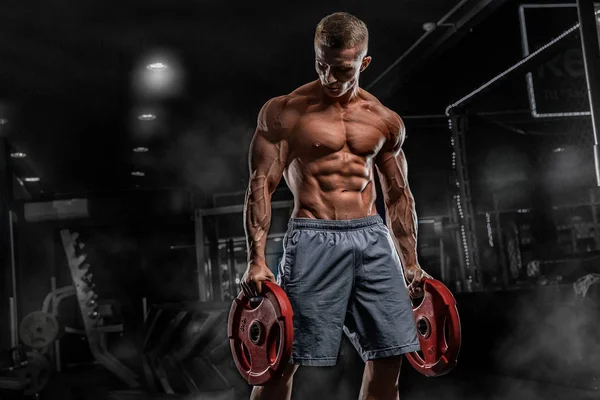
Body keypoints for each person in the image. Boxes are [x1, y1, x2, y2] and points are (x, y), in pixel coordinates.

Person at [241, 11, 432, 400]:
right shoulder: (285, 112)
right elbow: (260, 185)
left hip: (372, 238)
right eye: (321, 65)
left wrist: (410, 260)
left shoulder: (384, 121)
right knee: (281, 360)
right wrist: (256, 258)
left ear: (364, 63)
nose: (329, 77)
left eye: (342, 69)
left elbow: (398, 194)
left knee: (391, 353)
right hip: (313, 236)